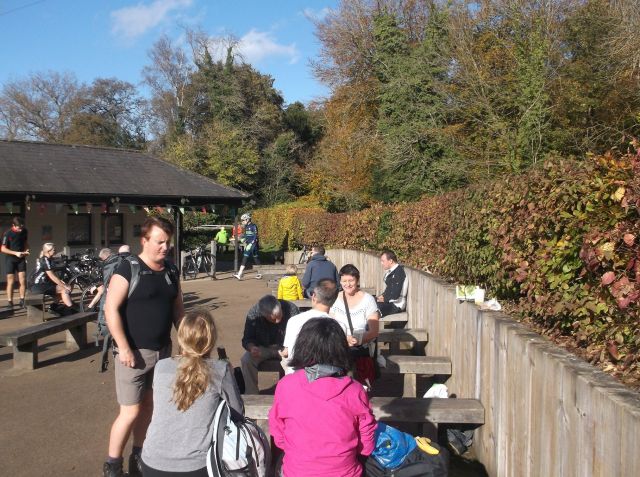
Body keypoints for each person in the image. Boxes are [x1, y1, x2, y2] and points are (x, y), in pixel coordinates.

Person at [103, 217, 184, 477]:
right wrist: (124, 347)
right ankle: (112, 465)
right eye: (159, 242)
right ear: (144, 240)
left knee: (150, 406)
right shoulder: (128, 268)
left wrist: (186, 342)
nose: (165, 247)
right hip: (134, 355)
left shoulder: (171, 271)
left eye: (167, 242)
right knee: (130, 411)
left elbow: (178, 310)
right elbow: (110, 309)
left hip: (163, 353)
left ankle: (138, 457)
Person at [141, 309, 243, 477]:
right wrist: (229, 376)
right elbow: (237, 412)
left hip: (152, 461)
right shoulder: (220, 369)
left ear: (180, 337)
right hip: (196, 466)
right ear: (211, 339)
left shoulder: (161, 366)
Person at [269, 318, 376, 477]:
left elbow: (279, 435)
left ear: (302, 346)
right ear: (341, 348)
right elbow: (366, 444)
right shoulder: (355, 390)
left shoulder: (286, 385)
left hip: (297, 471)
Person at [330, 264, 381, 385]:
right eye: (344, 281)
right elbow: (331, 325)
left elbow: (374, 331)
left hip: (359, 347)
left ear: (357, 280)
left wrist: (357, 340)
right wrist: (344, 339)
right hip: (338, 346)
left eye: (351, 280)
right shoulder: (334, 299)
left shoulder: (368, 300)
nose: (347, 284)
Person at [280, 278, 343, 374]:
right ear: (334, 300)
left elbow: (287, 352)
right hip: (326, 376)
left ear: (314, 297)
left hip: (296, 374)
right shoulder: (339, 326)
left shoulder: (294, 321)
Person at [240, 295, 299, 394]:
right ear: (264, 315)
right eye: (273, 319)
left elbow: (300, 335)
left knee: (294, 360)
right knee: (246, 360)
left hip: (285, 347)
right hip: (263, 348)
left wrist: (291, 347)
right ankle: (252, 394)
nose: (277, 321)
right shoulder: (254, 314)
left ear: (280, 306)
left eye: (279, 316)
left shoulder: (291, 309)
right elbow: (247, 338)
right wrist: (252, 347)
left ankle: (291, 392)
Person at [30, 242, 73, 310]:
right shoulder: (45, 260)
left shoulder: (47, 259)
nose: (55, 251)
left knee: (61, 287)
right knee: (64, 289)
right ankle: (71, 308)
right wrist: (64, 285)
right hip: (38, 286)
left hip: (40, 284)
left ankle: (54, 306)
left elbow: (52, 274)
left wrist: (61, 282)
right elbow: (52, 276)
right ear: (48, 251)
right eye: (54, 250)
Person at [1, 216, 29, 308]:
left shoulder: (24, 231)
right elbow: (3, 249)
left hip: (21, 259)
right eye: (18, 228)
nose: (20, 229)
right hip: (10, 259)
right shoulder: (7, 233)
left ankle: (22, 300)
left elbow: (25, 243)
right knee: (11, 281)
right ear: (13, 225)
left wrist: (26, 250)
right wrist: (15, 253)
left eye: (21, 227)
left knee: (22, 280)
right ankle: (10, 302)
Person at [376, 250, 407, 317]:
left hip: (396, 305)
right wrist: (382, 296)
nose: (381, 263)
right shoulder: (393, 271)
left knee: (372, 308)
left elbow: (395, 295)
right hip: (390, 302)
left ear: (390, 261)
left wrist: (384, 299)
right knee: (369, 301)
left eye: (383, 261)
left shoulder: (398, 273)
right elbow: (390, 288)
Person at [233, 213, 261, 280]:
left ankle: (240, 274)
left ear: (247, 219)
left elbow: (255, 236)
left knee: (250, 258)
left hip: (253, 245)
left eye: (243, 220)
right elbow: (246, 235)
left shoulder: (253, 226)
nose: (242, 222)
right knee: (250, 258)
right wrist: (243, 239)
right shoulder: (246, 227)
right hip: (248, 244)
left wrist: (251, 243)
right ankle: (240, 274)